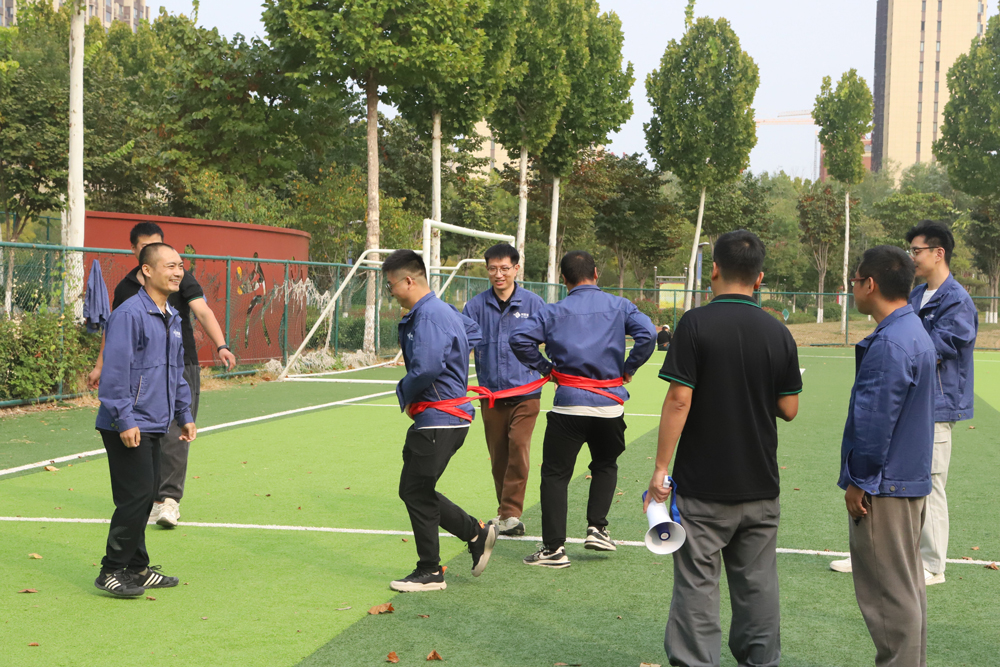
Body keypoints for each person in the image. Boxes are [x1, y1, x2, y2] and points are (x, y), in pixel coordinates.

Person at [644, 230, 801, 667]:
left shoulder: (695, 324)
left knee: (697, 586)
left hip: (703, 487)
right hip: (760, 484)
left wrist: (660, 468)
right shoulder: (777, 331)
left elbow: (679, 400)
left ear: (712, 270)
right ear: (759, 277)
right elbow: (789, 408)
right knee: (758, 587)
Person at [830, 222, 976, 586]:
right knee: (881, 476)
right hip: (906, 397)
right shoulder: (916, 295)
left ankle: (931, 564)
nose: (912, 256)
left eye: (917, 250)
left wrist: (896, 343)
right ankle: (871, 551)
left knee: (930, 483)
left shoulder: (957, 299)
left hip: (935, 405)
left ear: (938, 253)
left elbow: (935, 347)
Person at [510, 250, 656, 568]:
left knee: (555, 475)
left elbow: (519, 338)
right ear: (596, 273)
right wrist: (629, 368)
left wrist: (546, 369)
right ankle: (597, 529)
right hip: (609, 405)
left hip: (569, 406)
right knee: (605, 464)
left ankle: (553, 550)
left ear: (563, 279)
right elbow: (648, 334)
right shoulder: (619, 305)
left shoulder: (554, 311)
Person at [87, 222, 236, 528]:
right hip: (138, 385)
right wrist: (101, 365)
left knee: (176, 433)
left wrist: (221, 345)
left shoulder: (177, 297)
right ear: (139, 255)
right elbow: (114, 340)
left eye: (179, 265)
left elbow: (203, 311)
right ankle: (150, 504)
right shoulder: (128, 296)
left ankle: (168, 500)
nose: (176, 271)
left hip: (178, 367)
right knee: (139, 483)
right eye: (147, 247)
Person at [840, 246, 935, 667]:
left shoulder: (891, 342)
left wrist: (859, 480)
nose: (852, 289)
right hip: (906, 479)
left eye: (854, 281)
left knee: (890, 598)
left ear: (870, 284)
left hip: (885, 485)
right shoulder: (911, 330)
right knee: (906, 589)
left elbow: (875, 421)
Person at [384, 249, 498, 592]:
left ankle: (431, 571)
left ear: (408, 281)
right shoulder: (442, 310)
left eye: (391, 285)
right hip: (446, 416)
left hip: (440, 417)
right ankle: (475, 534)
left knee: (415, 491)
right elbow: (472, 333)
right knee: (415, 489)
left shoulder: (430, 315)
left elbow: (428, 368)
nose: (390, 292)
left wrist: (405, 392)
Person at [94, 243, 196, 597]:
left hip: (155, 422)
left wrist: (183, 414)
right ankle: (111, 570)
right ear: (147, 271)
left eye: (180, 266)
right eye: (170, 266)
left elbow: (176, 373)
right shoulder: (129, 314)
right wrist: (125, 419)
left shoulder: (172, 316)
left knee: (147, 495)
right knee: (135, 497)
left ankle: (137, 569)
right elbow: (114, 374)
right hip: (126, 423)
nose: (178, 272)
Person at [462, 243, 546, 537]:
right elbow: (461, 347)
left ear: (516, 269)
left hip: (526, 392)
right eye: (493, 269)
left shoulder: (534, 304)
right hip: (491, 396)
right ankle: (506, 513)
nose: (499, 274)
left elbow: (553, 340)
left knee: (518, 448)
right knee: (499, 456)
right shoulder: (474, 307)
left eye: (505, 268)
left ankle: (511, 512)